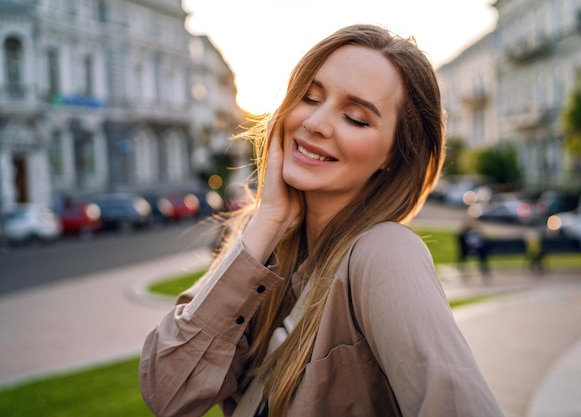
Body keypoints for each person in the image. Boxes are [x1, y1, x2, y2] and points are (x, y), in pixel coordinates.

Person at [139, 24, 505, 417]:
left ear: (393, 155)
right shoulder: (266, 248)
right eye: (310, 97)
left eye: (356, 118)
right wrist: (267, 220)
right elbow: (168, 391)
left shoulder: (384, 253)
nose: (315, 123)